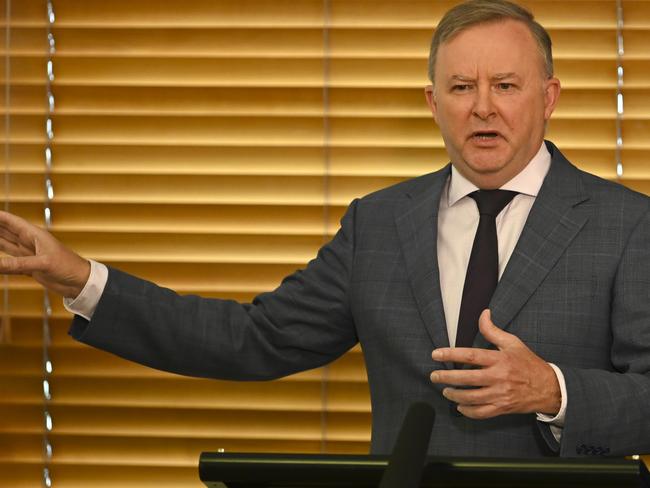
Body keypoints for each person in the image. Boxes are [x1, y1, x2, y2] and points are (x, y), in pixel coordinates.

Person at [0, 0, 648, 458]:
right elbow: (253, 340)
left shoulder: (628, 224)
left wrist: (553, 390)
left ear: (549, 97)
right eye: (460, 86)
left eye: (505, 84)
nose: (482, 106)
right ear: (433, 103)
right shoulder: (380, 222)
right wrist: (79, 279)